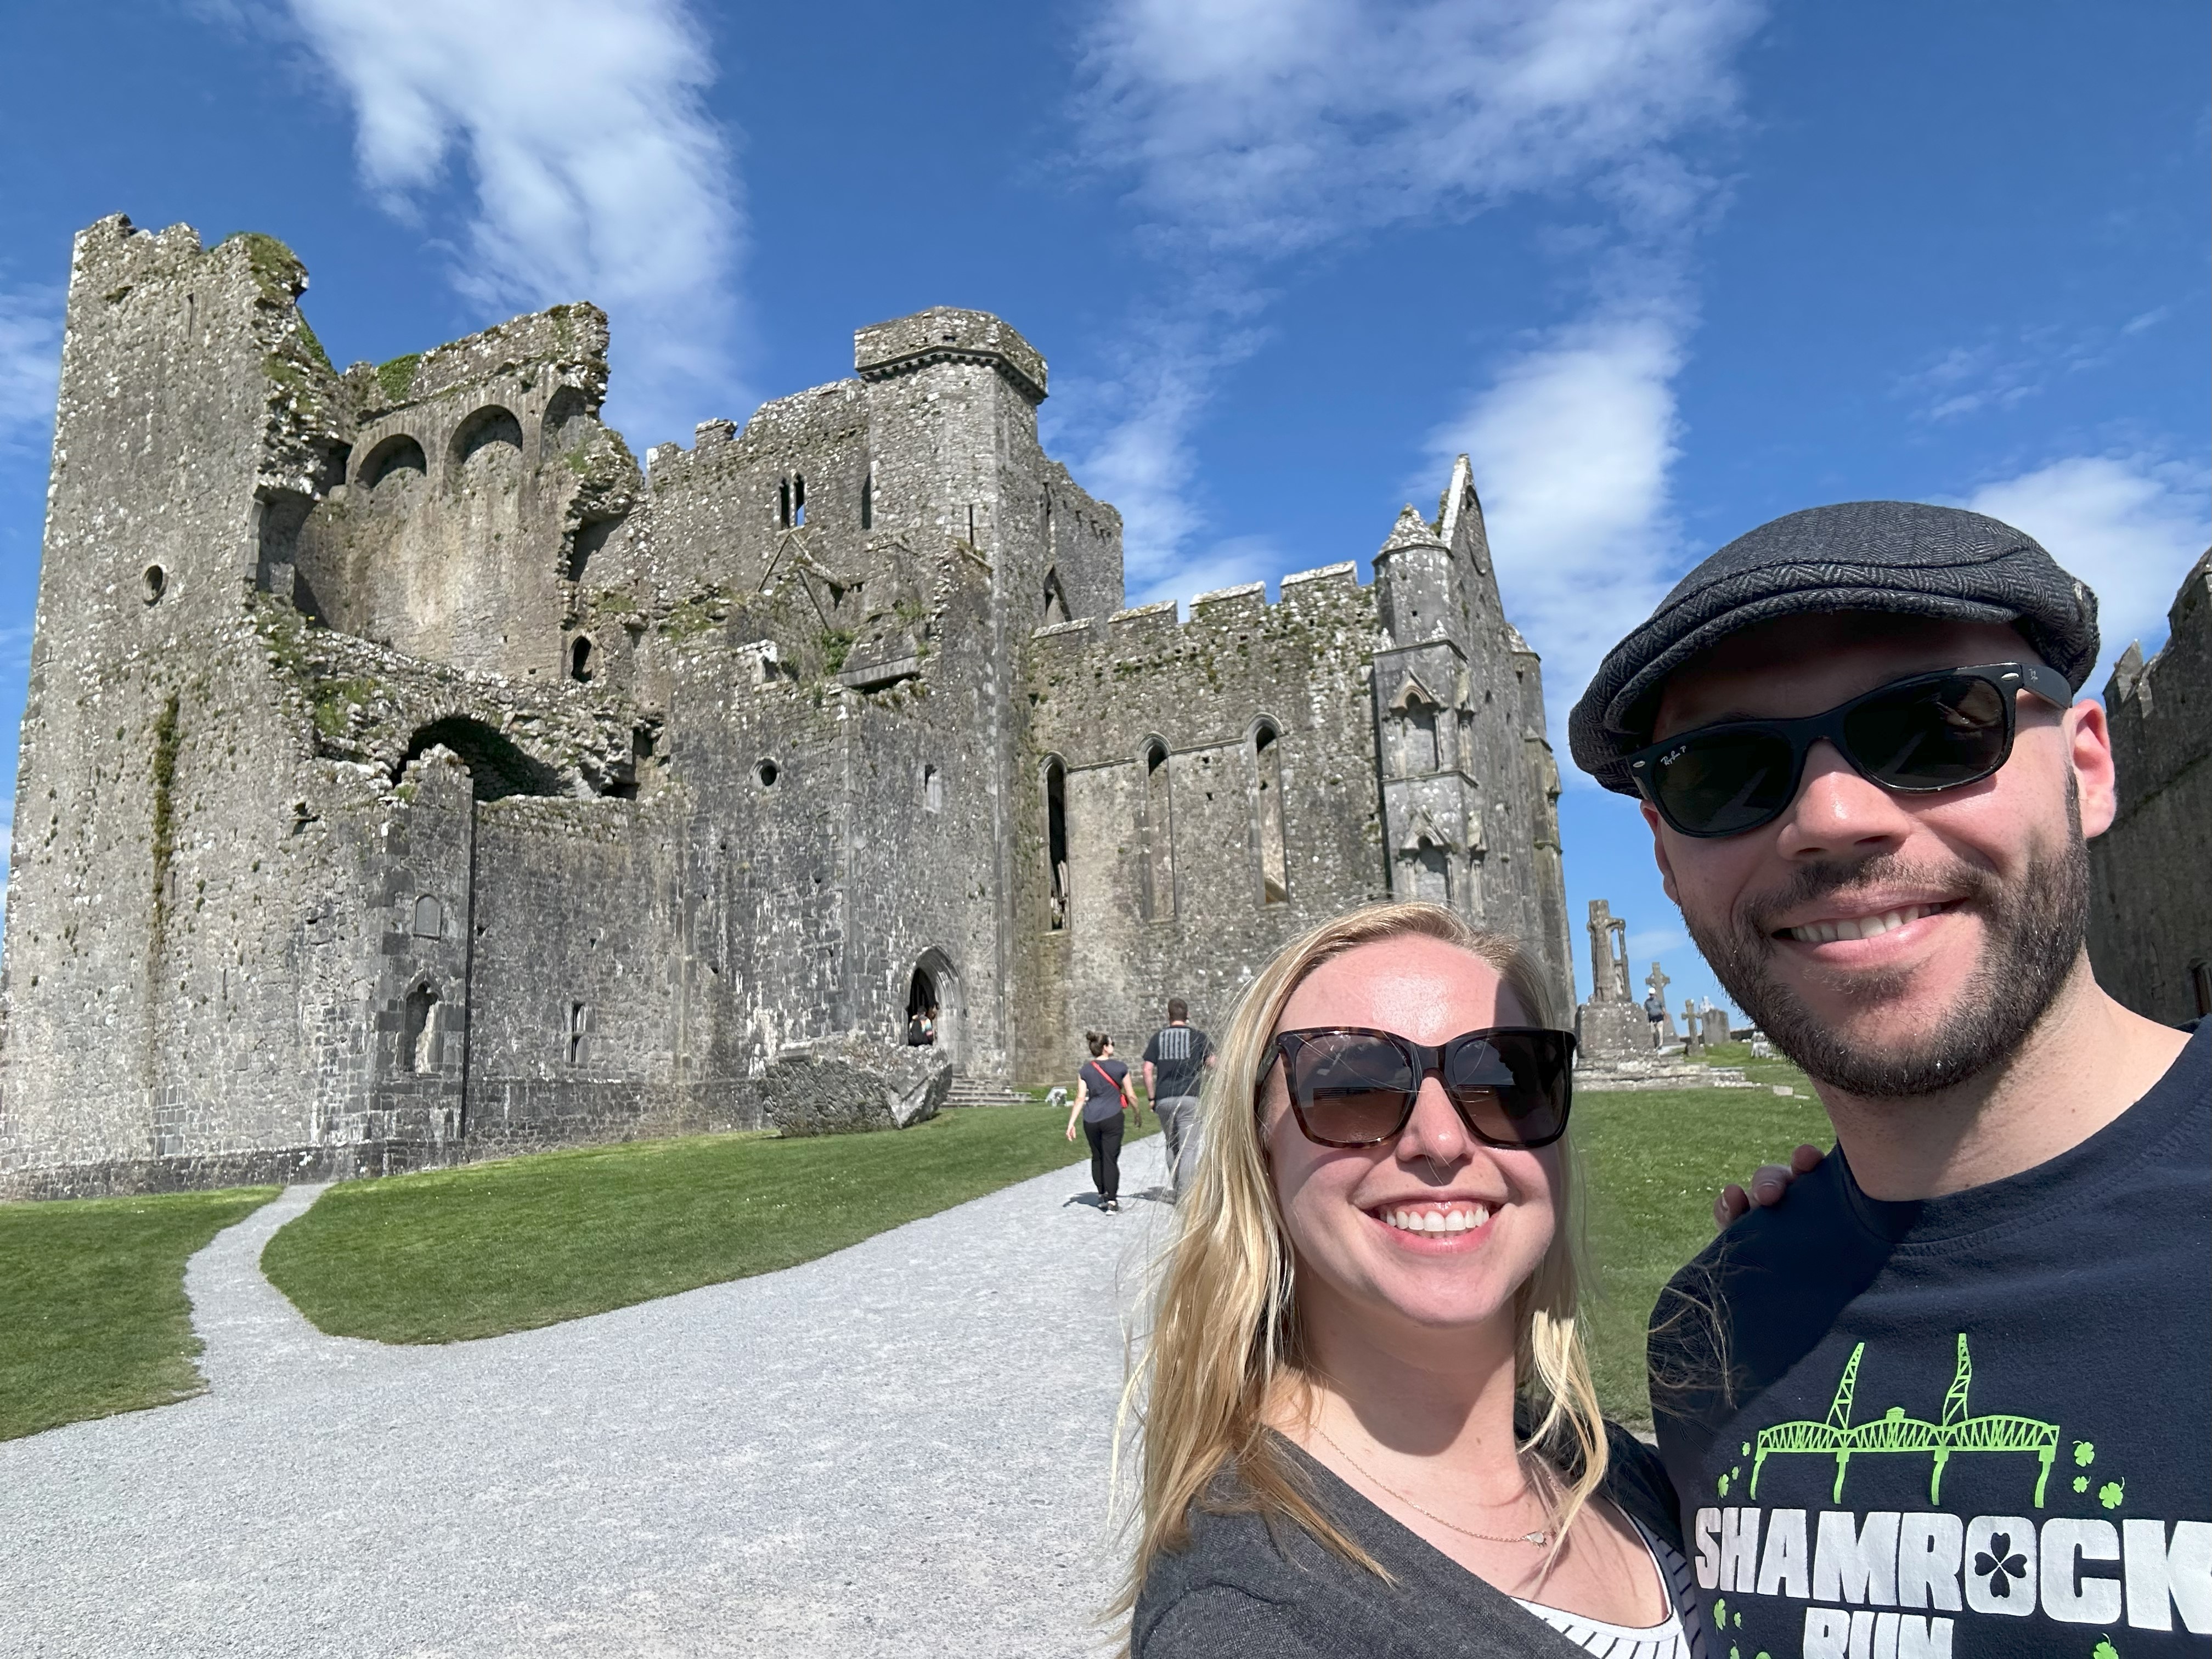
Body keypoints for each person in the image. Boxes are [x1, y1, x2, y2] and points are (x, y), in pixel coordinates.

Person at [1567, 500, 2210, 1656]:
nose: (1831, 816)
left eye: (1934, 725)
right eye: (1724, 771)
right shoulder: (1711, 1332)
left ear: (2089, 767)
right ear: (1669, 861)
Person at [1125, 901, 1712, 1657]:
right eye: (1352, 1085)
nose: (1440, 1140)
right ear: (1260, 1156)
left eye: (1501, 1077)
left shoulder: (1606, 1467)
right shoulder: (1249, 1618)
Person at [1141, 998, 1216, 1198]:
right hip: (1190, 1098)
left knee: (1172, 1145)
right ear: (1188, 1015)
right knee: (1189, 1148)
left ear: (1169, 1016)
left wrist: (1151, 1098)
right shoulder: (1198, 1037)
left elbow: (1147, 1070)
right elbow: (1214, 1063)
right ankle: (1186, 1194)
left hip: (1164, 1098)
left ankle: (1177, 1187)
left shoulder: (1158, 1038)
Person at [1066, 1031, 1139, 1214]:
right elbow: (1130, 1095)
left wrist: (1071, 1123)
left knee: (1097, 1157)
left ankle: (1101, 1195)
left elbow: (1080, 1098)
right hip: (1112, 1116)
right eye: (1111, 1043)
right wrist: (1137, 1112)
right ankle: (1112, 1201)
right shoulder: (1120, 1067)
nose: (1113, 1046)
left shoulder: (1085, 1070)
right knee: (1110, 1159)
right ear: (1106, 1048)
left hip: (1090, 1118)